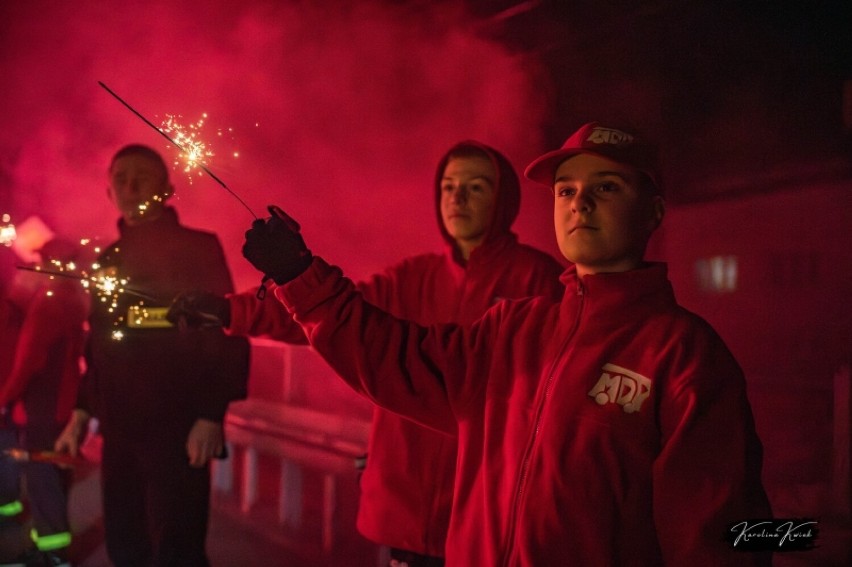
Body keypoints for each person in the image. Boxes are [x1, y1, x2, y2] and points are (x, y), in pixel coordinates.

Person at [239, 122, 773, 566]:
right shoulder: (513, 330)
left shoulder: (684, 355)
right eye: (566, 190)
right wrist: (298, 274)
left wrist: (794, 535)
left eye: (606, 187)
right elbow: (391, 355)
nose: (580, 202)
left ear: (654, 212)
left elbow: (724, 532)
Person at [168, 141, 565, 566]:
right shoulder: (414, 276)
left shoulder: (538, 281)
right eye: (449, 186)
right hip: (408, 506)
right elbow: (332, 315)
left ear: (504, 200)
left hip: (486, 515)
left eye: (477, 187)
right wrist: (231, 310)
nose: (457, 198)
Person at [53, 144, 250, 567]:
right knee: (126, 544)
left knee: (177, 547)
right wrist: (82, 411)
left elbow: (226, 331)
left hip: (178, 425)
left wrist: (211, 414)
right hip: (120, 428)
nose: (130, 185)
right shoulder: (108, 260)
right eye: (120, 178)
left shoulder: (198, 248)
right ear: (108, 192)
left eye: (142, 176)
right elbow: (99, 344)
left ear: (166, 189)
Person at [0, 238, 88, 567]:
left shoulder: (50, 303)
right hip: (59, 404)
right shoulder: (73, 298)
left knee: (42, 478)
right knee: (51, 475)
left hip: (43, 405)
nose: (38, 266)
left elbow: (28, 360)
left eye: (45, 260)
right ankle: (50, 549)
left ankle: (51, 555)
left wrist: (4, 398)